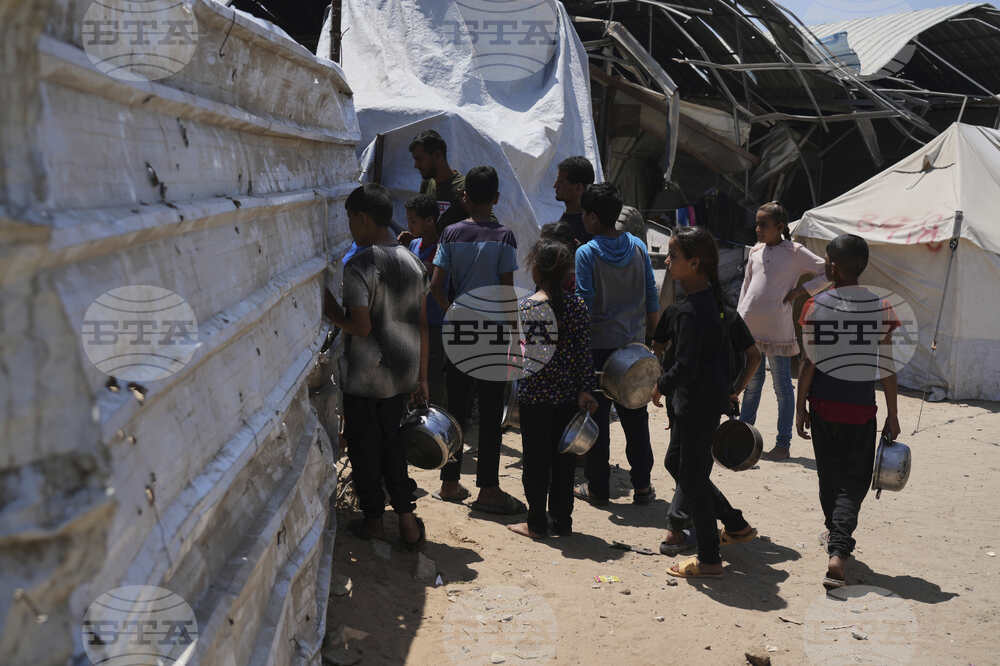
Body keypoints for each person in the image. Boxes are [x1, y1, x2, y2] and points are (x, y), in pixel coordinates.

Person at [323, 183, 429, 548]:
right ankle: (407, 522)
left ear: (362, 218)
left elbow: (361, 326)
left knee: (365, 450)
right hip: (402, 374)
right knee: (393, 448)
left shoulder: (360, 265)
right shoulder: (413, 262)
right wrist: (422, 377)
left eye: (350, 219)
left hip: (367, 378)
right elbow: (422, 324)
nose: (350, 227)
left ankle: (373, 521)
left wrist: (329, 309)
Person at [796, 234, 901, 589]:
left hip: (823, 407)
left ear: (835, 267)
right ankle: (839, 550)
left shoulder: (816, 305)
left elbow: (808, 364)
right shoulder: (881, 307)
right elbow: (887, 366)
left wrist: (800, 407)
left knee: (829, 478)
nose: (825, 264)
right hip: (860, 410)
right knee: (854, 482)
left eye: (828, 259)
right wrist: (893, 414)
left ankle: (836, 540)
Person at [653, 226, 756, 578]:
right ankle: (734, 523)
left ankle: (710, 558)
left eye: (673, 256)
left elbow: (685, 364)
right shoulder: (714, 305)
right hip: (705, 404)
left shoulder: (690, 311)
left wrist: (659, 386)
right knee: (682, 468)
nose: (668, 262)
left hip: (695, 405)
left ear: (695, 263)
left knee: (693, 479)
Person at [430, 166, 526, 515]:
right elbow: (505, 292)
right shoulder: (504, 237)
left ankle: (449, 483)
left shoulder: (451, 233)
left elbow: (436, 286)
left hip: (460, 331)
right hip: (494, 333)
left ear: (464, 197)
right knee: (489, 413)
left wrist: (453, 310)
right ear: (496, 198)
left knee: (456, 409)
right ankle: (488, 489)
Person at [573, 183, 659, 506]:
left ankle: (598, 488)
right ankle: (643, 486)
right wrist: (652, 344)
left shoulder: (586, 253)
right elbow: (651, 297)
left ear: (594, 217)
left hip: (598, 351)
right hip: (634, 348)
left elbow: (583, 305)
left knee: (597, 421)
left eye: (584, 214)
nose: (583, 219)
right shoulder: (637, 247)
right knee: (636, 419)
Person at [508, 238, 600, 539]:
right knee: (564, 462)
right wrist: (586, 390)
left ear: (537, 270)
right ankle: (562, 522)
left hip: (535, 398)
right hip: (569, 399)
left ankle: (536, 523)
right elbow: (584, 353)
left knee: (536, 463)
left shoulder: (528, 308)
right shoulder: (577, 306)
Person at [737, 201, 829, 461]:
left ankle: (782, 444)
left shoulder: (795, 252)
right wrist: (738, 320)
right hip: (750, 328)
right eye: (756, 224)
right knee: (752, 385)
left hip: (778, 330)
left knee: (782, 387)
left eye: (763, 225)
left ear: (779, 227)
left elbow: (828, 272)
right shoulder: (755, 251)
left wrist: (801, 291)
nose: (757, 229)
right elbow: (746, 287)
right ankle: (744, 439)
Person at [404, 194, 449, 407]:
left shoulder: (441, 248)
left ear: (430, 221)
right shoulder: (414, 244)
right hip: (414, 321)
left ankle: (435, 415)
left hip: (434, 322)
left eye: (413, 221)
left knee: (432, 375)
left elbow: (422, 271)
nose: (409, 225)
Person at [408, 130, 468, 235]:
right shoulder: (427, 184)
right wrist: (415, 239)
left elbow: (487, 224)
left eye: (419, 159)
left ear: (437, 155)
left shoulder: (464, 186)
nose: (416, 165)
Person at [554, 156, 595, 245]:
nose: (555, 185)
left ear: (578, 187)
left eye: (561, 182)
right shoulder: (566, 221)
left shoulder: (591, 227)